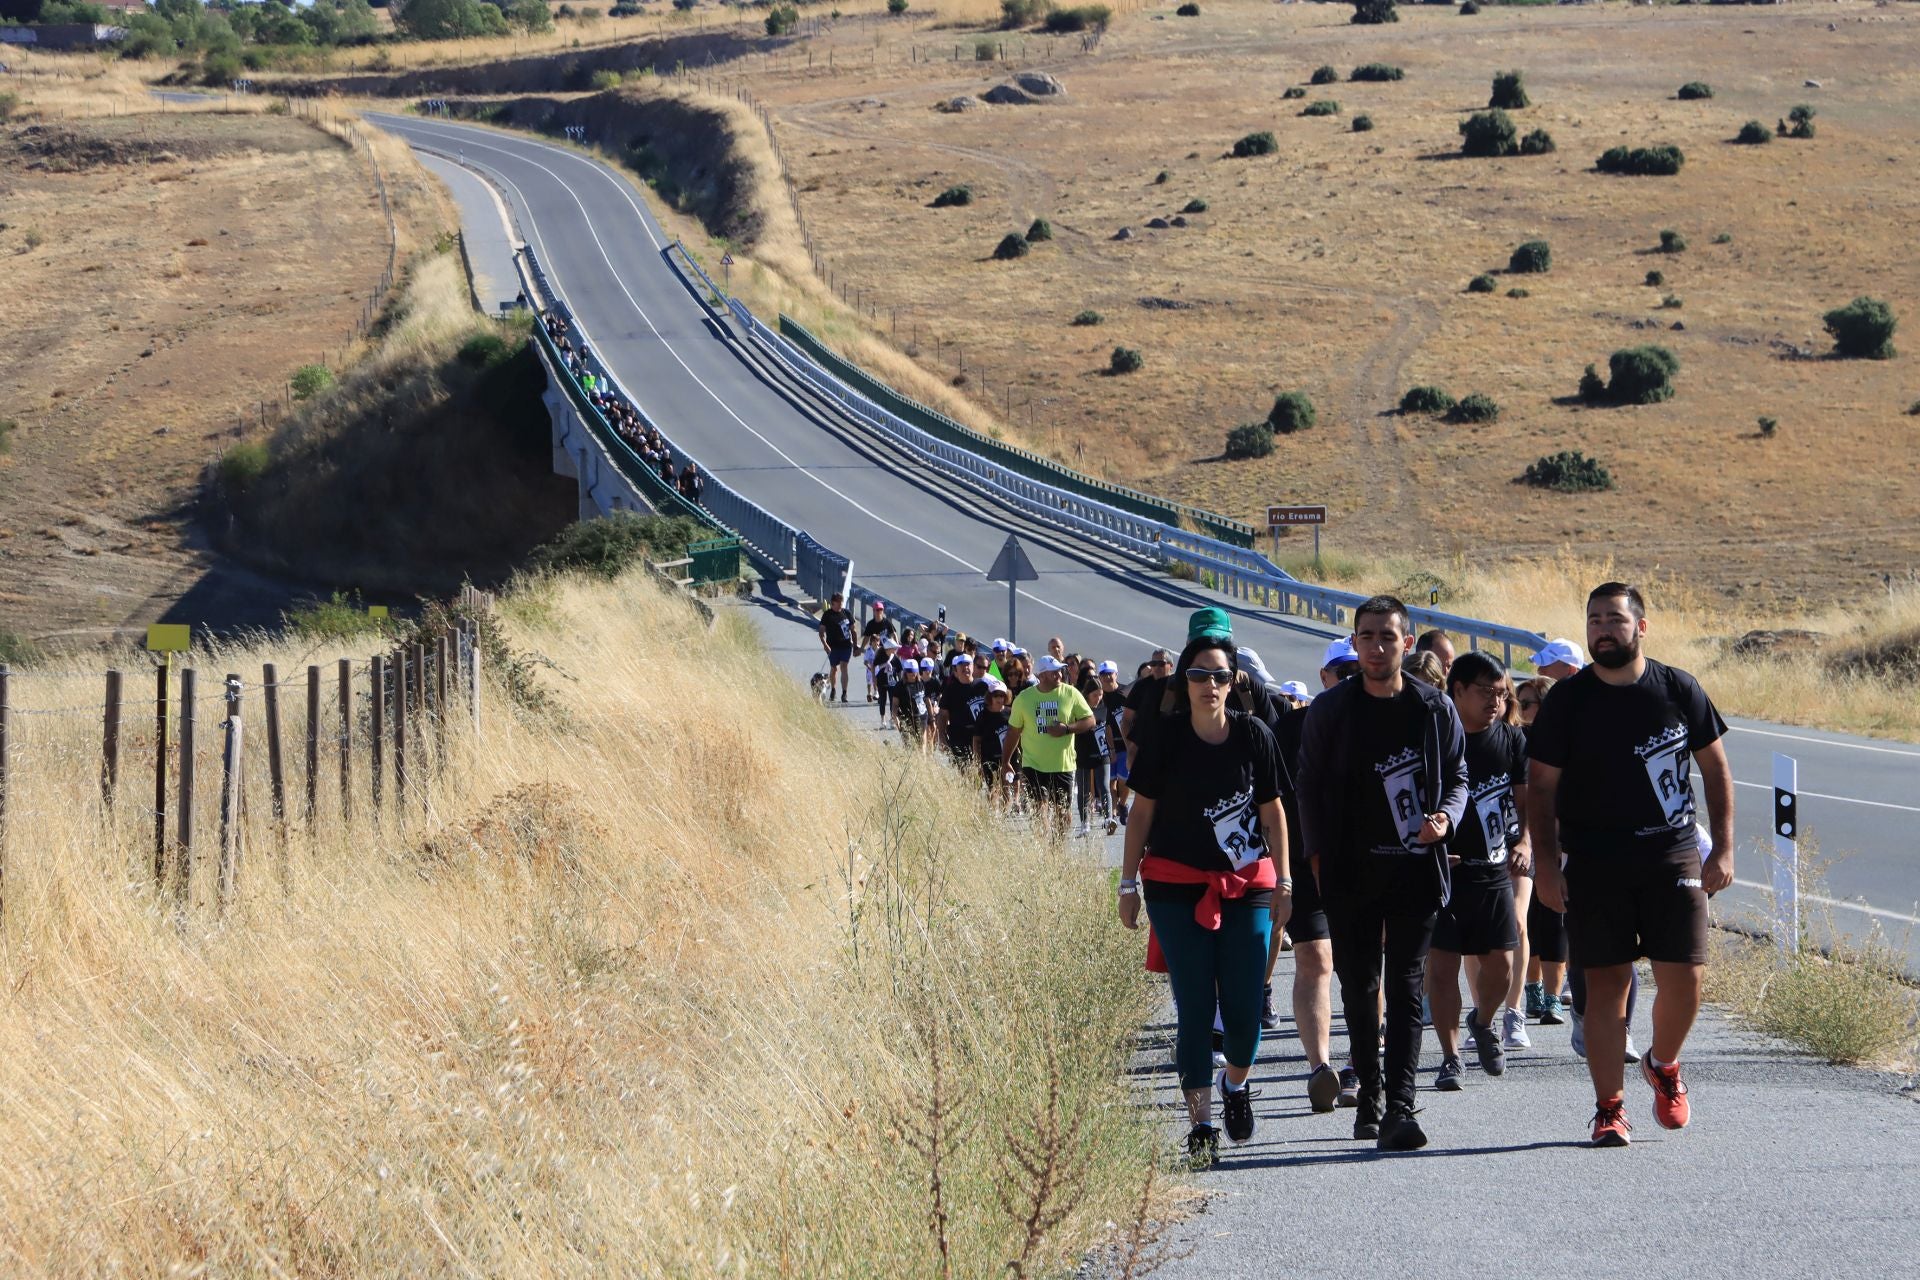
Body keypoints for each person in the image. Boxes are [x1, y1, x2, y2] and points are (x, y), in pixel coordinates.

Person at [1528, 583, 1735, 1148]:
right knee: (1605, 988)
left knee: (1685, 978)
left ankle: (1663, 1065)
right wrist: (1547, 867)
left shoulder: (1677, 688)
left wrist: (1724, 847)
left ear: (1640, 627)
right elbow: (1540, 789)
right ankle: (1609, 1108)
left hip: (1671, 853)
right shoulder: (1568, 701)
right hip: (1594, 861)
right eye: (1594, 619)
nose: (1603, 629)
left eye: (1615, 620)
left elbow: (1715, 769)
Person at [1298, 595, 1468, 1152]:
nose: (1376, 647)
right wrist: (1318, 859)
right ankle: (1368, 1102)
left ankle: (1399, 1105)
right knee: (1361, 985)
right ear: (1354, 642)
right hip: (1348, 872)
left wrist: (1446, 816)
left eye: (1387, 637)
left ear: (1407, 643)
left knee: (1406, 986)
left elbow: (1459, 775)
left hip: (1415, 869)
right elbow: (1309, 788)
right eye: (1366, 636)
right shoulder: (1330, 711)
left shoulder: (1433, 708)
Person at [1119, 633, 1292, 1168]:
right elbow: (1141, 814)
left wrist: (1284, 883)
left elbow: (1273, 813)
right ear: (1184, 681)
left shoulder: (1254, 735)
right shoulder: (1164, 738)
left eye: (1219, 675)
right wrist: (1127, 884)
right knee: (1195, 1007)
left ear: (1233, 681)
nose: (1209, 685)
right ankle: (1200, 1125)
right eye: (1198, 674)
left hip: (1247, 885)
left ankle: (1234, 1083)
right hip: (1174, 884)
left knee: (1243, 1013)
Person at [1426, 653, 1530, 1091]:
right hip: (1444, 872)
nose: (1496, 700)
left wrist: (1524, 842)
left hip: (1493, 871)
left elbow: (1527, 800)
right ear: (1458, 690)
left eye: (1502, 692)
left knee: (1503, 965)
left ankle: (1483, 1021)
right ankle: (1451, 1058)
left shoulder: (1511, 741)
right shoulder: (1437, 739)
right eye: (1485, 691)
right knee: (1442, 968)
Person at [1515, 676, 1567, 1025]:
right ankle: (1531, 990)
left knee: (1555, 920)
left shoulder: (1562, 743)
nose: (1522, 711)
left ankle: (1553, 997)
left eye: (1529, 704)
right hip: (1522, 841)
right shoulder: (1515, 741)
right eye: (1518, 703)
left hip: (1557, 840)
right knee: (1528, 919)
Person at [1002, 655, 1096, 828]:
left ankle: (1055, 849)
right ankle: (1044, 849)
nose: (1059, 675)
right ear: (1042, 676)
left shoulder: (1070, 693)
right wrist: (1006, 761)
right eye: (1054, 673)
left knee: (1063, 814)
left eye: (1060, 671)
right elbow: (1013, 732)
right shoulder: (1024, 699)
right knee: (1039, 810)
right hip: (1033, 765)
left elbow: (1090, 720)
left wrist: (1067, 729)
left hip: (1063, 765)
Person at [1074, 675, 1116, 836]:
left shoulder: (1104, 709)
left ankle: (1108, 819)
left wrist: (1111, 749)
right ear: (1087, 695)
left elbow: (1108, 730)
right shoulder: (1079, 710)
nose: (1098, 698)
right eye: (1095, 695)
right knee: (1084, 789)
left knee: (1104, 786)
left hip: (1102, 753)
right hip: (1083, 753)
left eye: (1100, 695)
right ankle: (1085, 823)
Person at [936, 653, 988, 764]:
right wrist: (941, 737)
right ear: (956, 670)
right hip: (959, 738)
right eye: (962, 665)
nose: (965, 668)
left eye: (968, 665)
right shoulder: (950, 690)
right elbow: (942, 715)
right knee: (964, 773)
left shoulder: (982, 686)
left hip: (981, 737)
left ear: (973, 667)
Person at [818, 593, 856, 702]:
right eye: (838, 602)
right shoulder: (827, 615)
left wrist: (856, 646)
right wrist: (825, 645)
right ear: (832, 603)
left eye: (841, 602)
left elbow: (853, 630)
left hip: (846, 646)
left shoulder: (846, 613)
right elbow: (821, 632)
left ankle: (844, 693)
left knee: (844, 666)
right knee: (834, 668)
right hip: (832, 647)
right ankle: (833, 689)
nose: (840, 604)